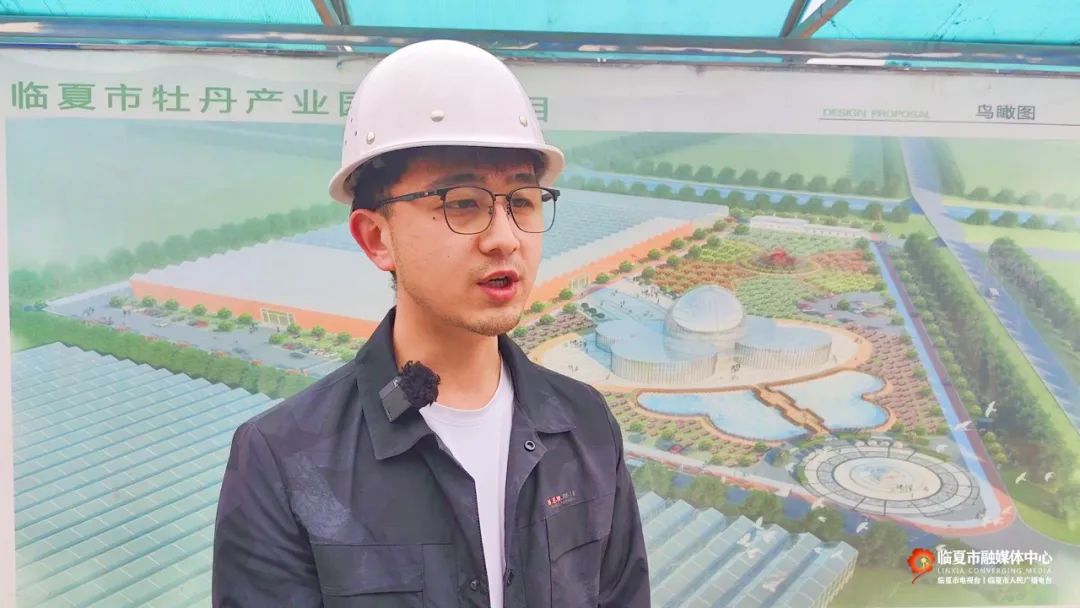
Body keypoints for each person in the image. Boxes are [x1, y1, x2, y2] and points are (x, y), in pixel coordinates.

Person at [212, 39, 649, 607]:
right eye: (462, 202)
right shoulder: (283, 459)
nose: (504, 238)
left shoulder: (584, 425)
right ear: (377, 238)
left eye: (522, 200)